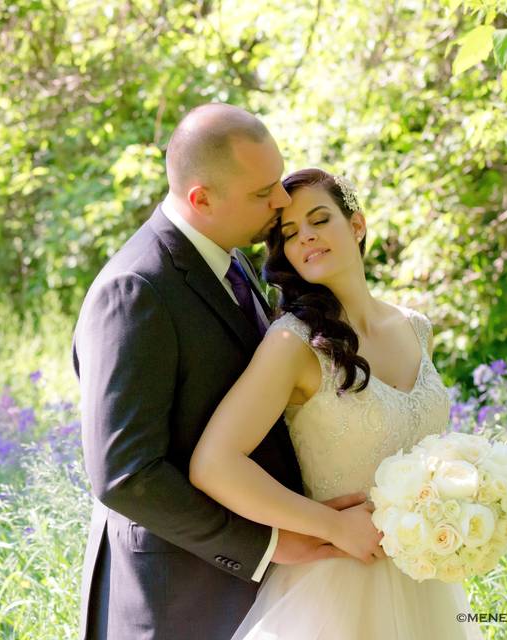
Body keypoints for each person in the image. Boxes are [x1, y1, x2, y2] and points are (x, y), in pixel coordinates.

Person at [73, 105, 369, 639]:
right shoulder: (136, 289)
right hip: (174, 601)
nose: (281, 201)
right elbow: (125, 474)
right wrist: (270, 544)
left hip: (265, 595)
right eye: (263, 193)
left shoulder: (233, 263)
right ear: (200, 198)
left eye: (277, 181)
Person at [189, 168, 483, 639]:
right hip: (338, 589)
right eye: (289, 233)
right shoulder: (294, 343)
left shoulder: (416, 328)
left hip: (426, 581)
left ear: (358, 225)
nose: (305, 237)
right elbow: (214, 464)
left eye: (319, 220)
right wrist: (330, 525)